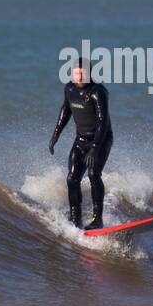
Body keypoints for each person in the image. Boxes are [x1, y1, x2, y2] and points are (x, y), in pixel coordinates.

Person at [48, 57, 113, 230]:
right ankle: (75, 220)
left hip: (101, 139)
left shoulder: (98, 92)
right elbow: (65, 111)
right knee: (72, 179)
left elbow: (103, 122)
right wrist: (55, 135)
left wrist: (94, 149)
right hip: (80, 140)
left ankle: (97, 219)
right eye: (76, 73)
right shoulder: (69, 89)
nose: (78, 77)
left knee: (93, 175)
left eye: (82, 73)